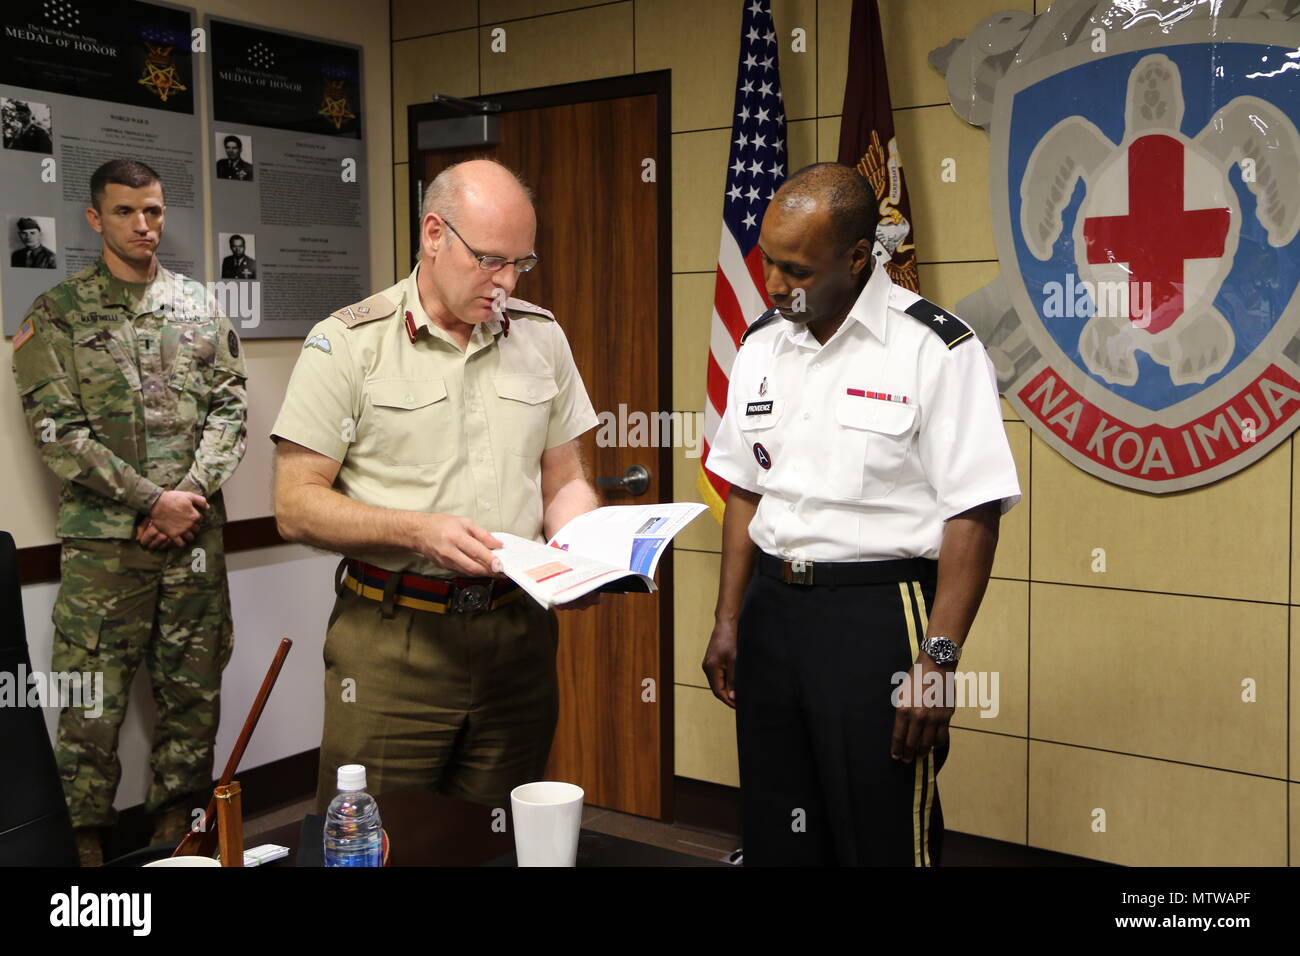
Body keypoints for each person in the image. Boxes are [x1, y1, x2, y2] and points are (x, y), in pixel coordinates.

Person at [702, 162, 1021, 867]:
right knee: (778, 828)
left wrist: (937, 660)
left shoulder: (934, 347)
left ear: (855, 257)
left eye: (796, 269)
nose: (776, 284)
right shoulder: (760, 344)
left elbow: (973, 511)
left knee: (879, 832)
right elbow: (744, 490)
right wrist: (729, 619)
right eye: (767, 263)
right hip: (771, 611)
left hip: (877, 611)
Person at [272, 158, 602, 814]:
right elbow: (294, 504)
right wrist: (415, 529)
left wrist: (584, 554)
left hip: (517, 638)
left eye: (521, 264)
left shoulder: (540, 336)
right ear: (433, 234)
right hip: (396, 640)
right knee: (381, 842)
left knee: (495, 840)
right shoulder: (348, 344)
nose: (505, 281)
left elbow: (565, 480)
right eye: (490, 260)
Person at [10, 159, 248, 867]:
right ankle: (81, 861)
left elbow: (231, 408)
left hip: (193, 545)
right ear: (95, 219)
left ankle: (177, 844)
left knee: (191, 700)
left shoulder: (200, 305)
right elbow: (58, 430)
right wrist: (153, 502)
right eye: (125, 213)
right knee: (91, 711)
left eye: (153, 211)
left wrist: (190, 496)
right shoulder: (55, 314)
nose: (143, 226)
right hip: (106, 553)